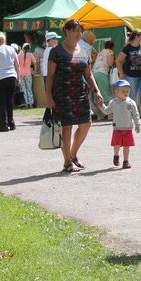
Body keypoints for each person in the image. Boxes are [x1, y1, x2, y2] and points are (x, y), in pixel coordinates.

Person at [46, 20, 103, 172]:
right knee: (66, 128)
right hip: (62, 95)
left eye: (80, 31)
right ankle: (67, 162)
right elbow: (50, 76)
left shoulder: (84, 51)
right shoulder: (56, 52)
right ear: (67, 31)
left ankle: (73, 154)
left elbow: (88, 75)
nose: (79, 34)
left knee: (86, 125)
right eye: (76, 30)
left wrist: (97, 91)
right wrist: (48, 97)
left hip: (80, 94)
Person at [100, 79, 140, 169]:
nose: (125, 93)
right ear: (116, 91)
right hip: (117, 128)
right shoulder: (113, 102)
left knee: (127, 146)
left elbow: (136, 114)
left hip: (128, 129)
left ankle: (126, 161)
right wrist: (101, 105)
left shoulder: (131, 102)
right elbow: (106, 111)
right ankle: (116, 155)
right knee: (116, 144)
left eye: (127, 91)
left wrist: (137, 124)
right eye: (123, 91)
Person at [116, 29, 141, 123]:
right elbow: (118, 61)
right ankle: (130, 116)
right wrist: (121, 73)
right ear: (137, 37)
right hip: (131, 76)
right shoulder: (127, 48)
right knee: (131, 96)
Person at [0, 32, 20, 132]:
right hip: (11, 76)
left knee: (1, 102)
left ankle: (3, 125)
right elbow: (17, 64)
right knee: (9, 101)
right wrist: (18, 77)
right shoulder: (11, 49)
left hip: (0, 77)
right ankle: (11, 123)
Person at [17, 43, 37, 108]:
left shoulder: (19, 55)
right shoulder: (30, 54)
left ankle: (26, 103)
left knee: (23, 89)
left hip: (21, 74)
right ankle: (31, 104)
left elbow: (17, 65)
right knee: (29, 89)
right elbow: (35, 63)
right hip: (28, 74)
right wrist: (35, 71)